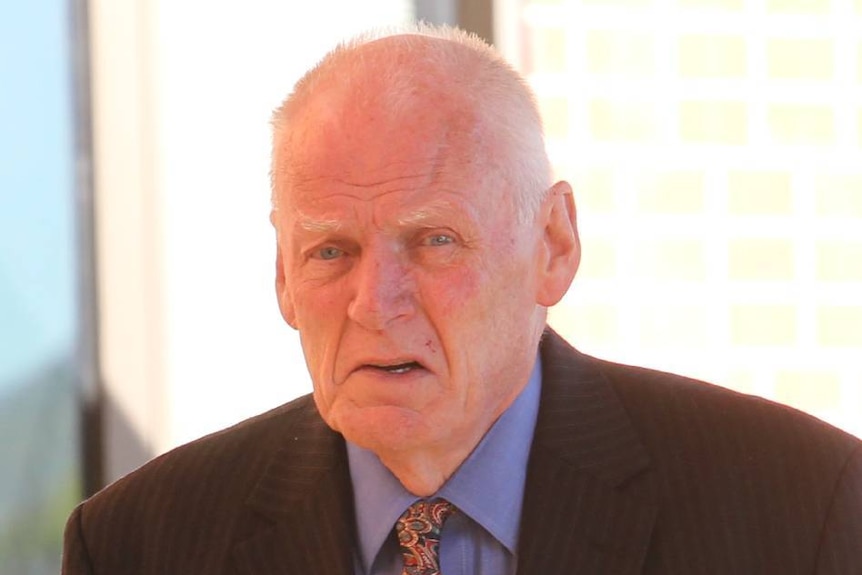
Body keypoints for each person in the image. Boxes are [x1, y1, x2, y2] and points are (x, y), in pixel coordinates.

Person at [62, 24, 861, 575]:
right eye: (330, 250)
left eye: (433, 240)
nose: (375, 302)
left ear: (554, 246)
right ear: (283, 278)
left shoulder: (800, 508)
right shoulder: (139, 543)